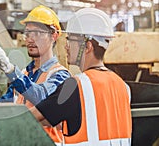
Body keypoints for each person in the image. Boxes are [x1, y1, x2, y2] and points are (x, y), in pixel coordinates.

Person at [0, 5, 71, 144]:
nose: (30, 39)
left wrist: (9, 69)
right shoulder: (24, 73)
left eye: (37, 33)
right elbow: (5, 107)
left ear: (53, 36)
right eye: (28, 33)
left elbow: (43, 101)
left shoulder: (60, 76)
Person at [30, 8, 132, 145]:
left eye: (70, 41)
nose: (66, 47)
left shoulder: (75, 85)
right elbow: (52, 116)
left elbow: (31, 117)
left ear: (88, 46)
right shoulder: (123, 87)